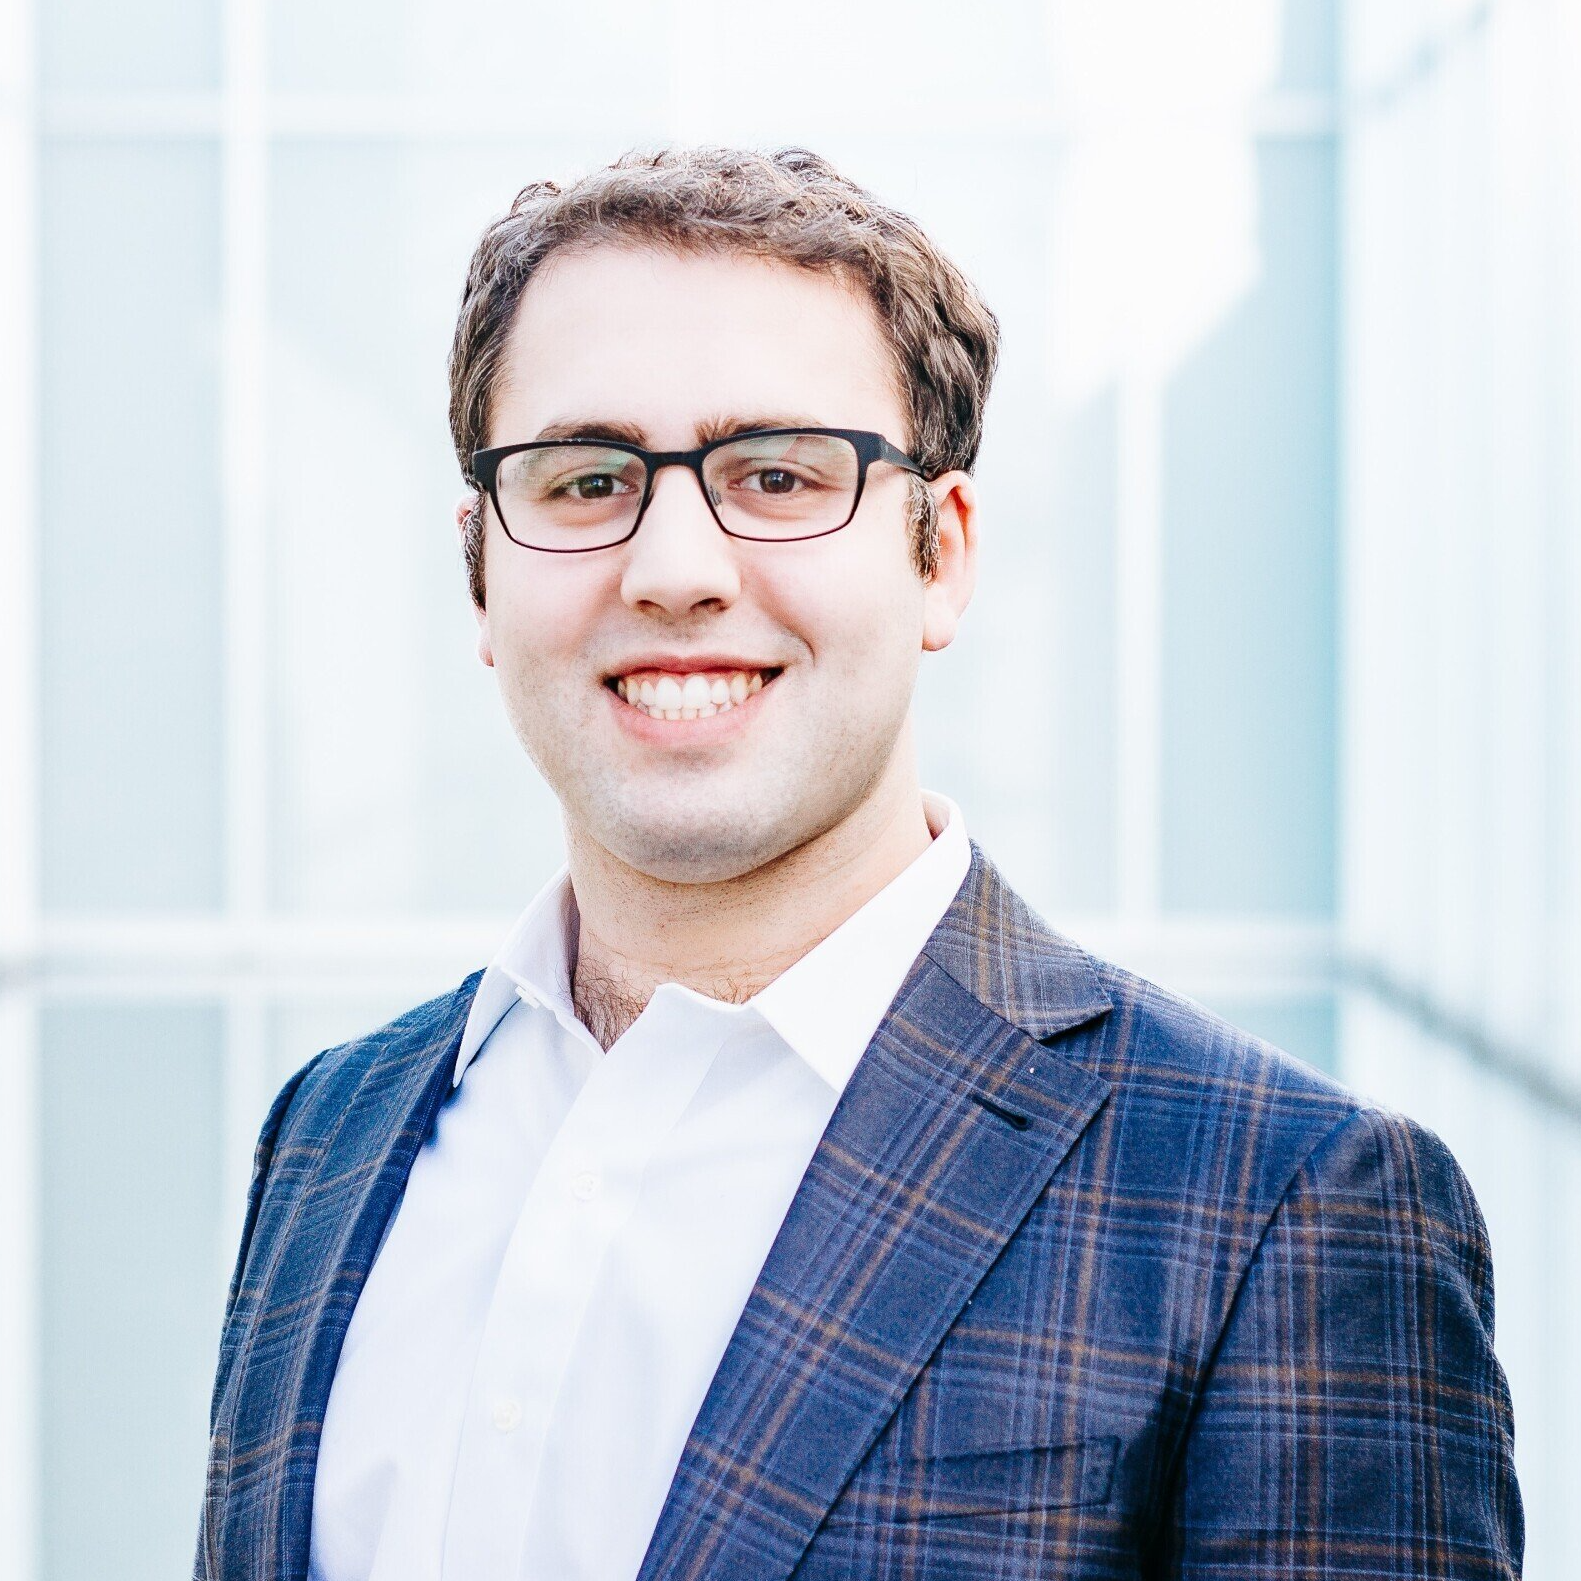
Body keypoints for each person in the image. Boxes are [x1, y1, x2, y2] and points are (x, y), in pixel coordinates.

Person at [195, 145, 1522, 1581]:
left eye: (776, 474)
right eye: (587, 481)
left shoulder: (1284, 1208)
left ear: (939, 553)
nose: (674, 568)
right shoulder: (331, 1136)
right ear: (482, 571)